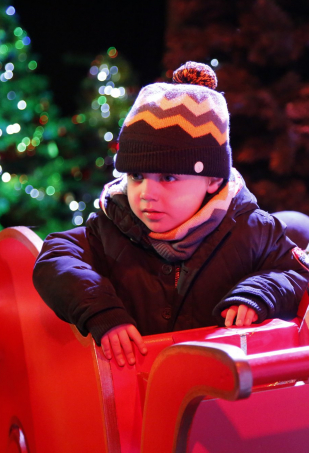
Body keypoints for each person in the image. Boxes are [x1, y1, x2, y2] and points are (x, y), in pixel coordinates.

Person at [33, 61, 308, 367]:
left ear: (213, 179)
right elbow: (55, 257)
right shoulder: (109, 227)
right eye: (136, 175)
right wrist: (100, 310)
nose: (147, 193)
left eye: (168, 178)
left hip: (224, 397)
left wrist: (261, 292)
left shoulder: (252, 230)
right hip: (139, 396)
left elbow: (296, 271)